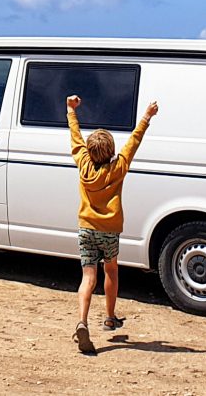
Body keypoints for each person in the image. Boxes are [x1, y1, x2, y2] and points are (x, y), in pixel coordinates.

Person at [66, 94, 158, 354]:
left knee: (88, 277)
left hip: (86, 228)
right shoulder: (118, 168)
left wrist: (71, 111)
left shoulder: (83, 163)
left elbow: (76, 137)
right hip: (109, 231)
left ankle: (82, 321)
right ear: (110, 151)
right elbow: (133, 142)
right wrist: (147, 116)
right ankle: (109, 316)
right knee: (111, 271)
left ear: (89, 151)